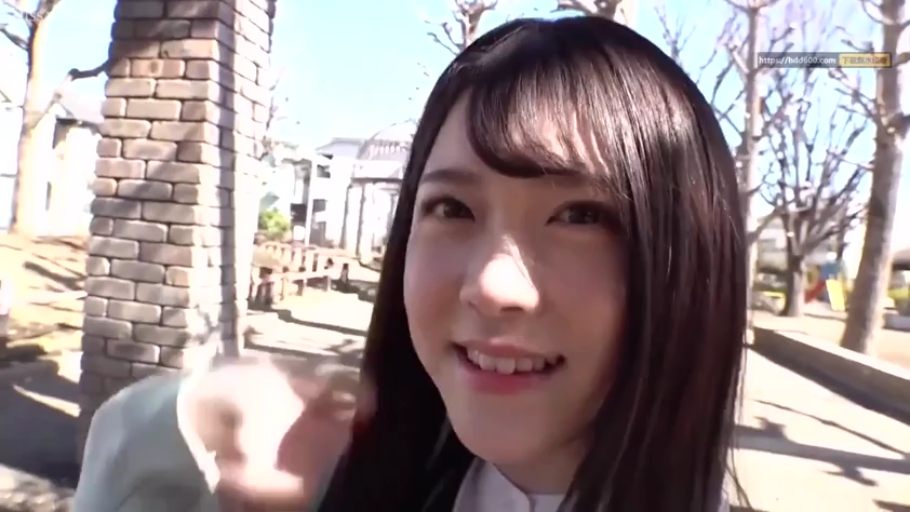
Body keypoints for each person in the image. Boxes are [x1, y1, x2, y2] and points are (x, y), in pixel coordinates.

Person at [73, 15, 746, 512]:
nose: (492, 286)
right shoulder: (316, 481)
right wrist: (188, 420)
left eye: (580, 216)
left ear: (688, 264)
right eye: (452, 207)